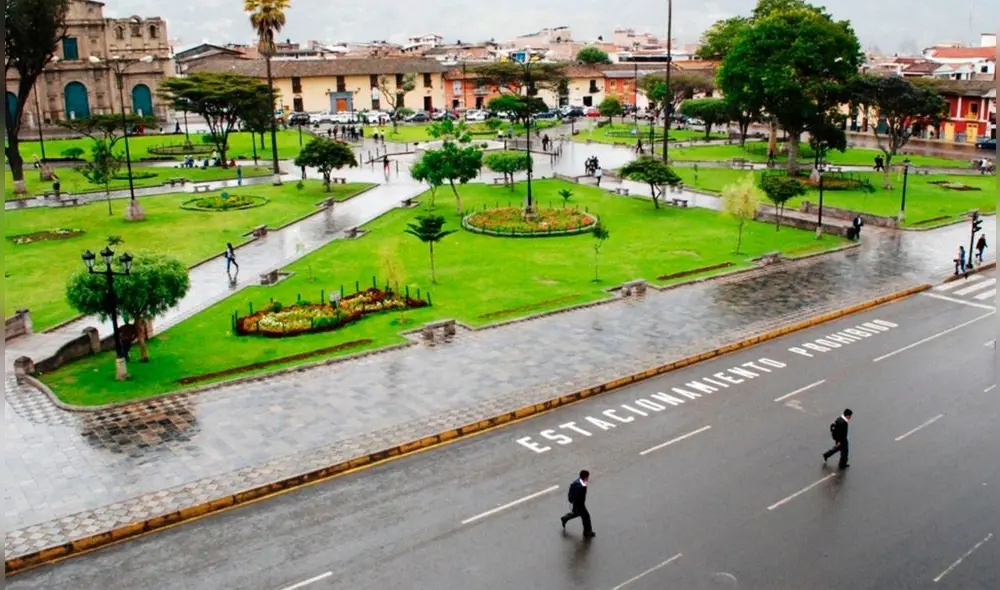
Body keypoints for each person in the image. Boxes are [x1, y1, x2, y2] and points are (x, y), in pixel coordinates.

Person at [561, 470, 595, 538]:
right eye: (587, 477)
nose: (588, 479)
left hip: (578, 503)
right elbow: (578, 496)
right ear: (585, 477)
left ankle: (565, 518)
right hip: (579, 503)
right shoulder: (580, 486)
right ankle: (587, 532)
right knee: (586, 517)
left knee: (577, 513)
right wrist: (578, 504)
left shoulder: (579, 482)